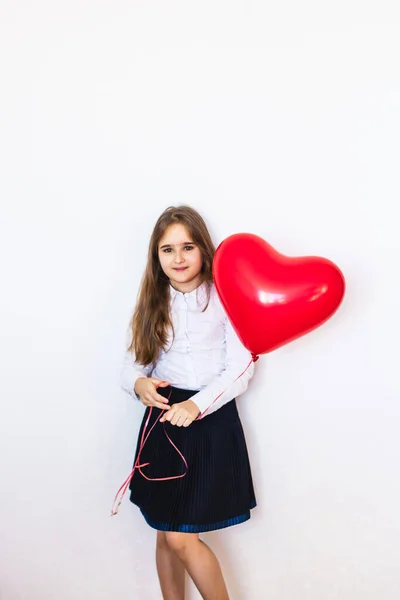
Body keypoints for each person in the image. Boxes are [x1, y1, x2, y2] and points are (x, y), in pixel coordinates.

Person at [120, 205, 257, 600]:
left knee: (182, 538)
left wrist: (197, 405)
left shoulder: (224, 298)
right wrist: (139, 383)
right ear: (156, 255)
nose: (178, 258)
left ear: (203, 251)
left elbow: (241, 366)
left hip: (208, 419)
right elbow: (130, 365)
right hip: (162, 420)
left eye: (188, 247)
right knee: (166, 530)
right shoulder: (152, 302)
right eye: (167, 249)